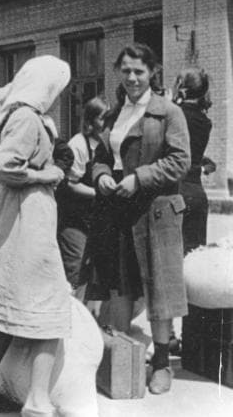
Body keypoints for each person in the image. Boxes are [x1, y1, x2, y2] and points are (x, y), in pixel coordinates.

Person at [0, 55, 71, 416]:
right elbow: (2, 165)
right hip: (29, 218)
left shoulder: (17, 114)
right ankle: (38, 400)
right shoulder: (27, 117)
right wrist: (47, 175)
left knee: (13, 304)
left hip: (18, 214)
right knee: (50, 308)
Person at [86, 43, 190, 395]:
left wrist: (139, 178)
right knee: (121, 285)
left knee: (159, 290)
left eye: (139, 71)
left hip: (157, 212)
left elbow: (179, 161)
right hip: (120, 211)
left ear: (152, 73)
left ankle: (161, 364)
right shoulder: (116, 113)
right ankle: (122, 357)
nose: (132, 77)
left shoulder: (168, 113)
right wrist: (100, 174)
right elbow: (101, 156)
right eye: (126, 70)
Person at [55, 97, 108, 290]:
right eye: (103, 118)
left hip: (96, 217)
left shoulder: (107, 144)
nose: (107, 123)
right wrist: (99, 192)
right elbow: (70, 184)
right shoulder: (78, 145)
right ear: (90, 121)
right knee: (77, 266)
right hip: (75, 218)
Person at [173, 67, 212, 254]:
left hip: (176, 190)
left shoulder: (175, 114)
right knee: (194, 259)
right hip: (197, 191)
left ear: (182, 87)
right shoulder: (205, 121)